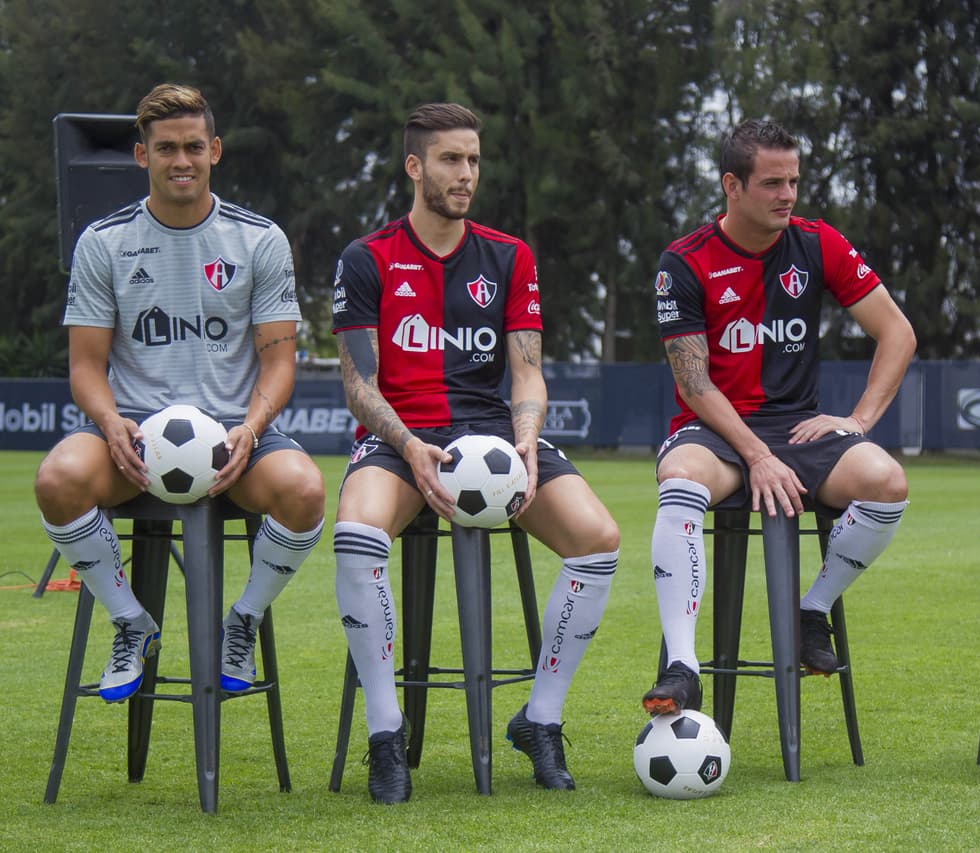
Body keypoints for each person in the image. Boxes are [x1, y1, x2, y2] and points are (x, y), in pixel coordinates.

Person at [331, 103, 618, 803]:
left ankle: (540, 717)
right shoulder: (367, 258)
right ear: (415, 166)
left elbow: (526, 370)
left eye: (474, 161)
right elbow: (358, 385)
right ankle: (386, 732)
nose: (466, 175)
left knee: (598, 538)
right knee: (356, 531)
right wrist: (408, 444)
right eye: (452, 160)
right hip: (398, 438)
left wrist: (525, 436)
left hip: (493, 437)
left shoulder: (509, 256)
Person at [33, 84, 326, 705]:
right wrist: (110, 421)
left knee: (304, 491)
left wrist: (251, 427)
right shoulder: (102, 242)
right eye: (166, 148)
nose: (181, 160)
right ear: (142, 156)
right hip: (134, 436)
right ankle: (129, 621)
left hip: (233, 437)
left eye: (194, 146)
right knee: (57, 480)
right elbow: (86, 364)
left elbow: (278, 363)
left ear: (215, 150)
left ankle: (242, 619)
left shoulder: (259, 240)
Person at [642, 119, 916, 716]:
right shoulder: (683, 262)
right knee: (681, 478)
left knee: (888, 483)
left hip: (796, 426)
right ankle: (682, 665)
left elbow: (898, 332)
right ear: (732, 187)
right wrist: (756, 454)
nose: (787, 195)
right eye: (772, 183)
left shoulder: (819, 244)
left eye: (793, 181)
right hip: (716, 428)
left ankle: (810, 610)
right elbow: (694, 383)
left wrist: (859, 421)